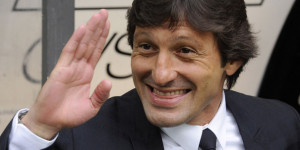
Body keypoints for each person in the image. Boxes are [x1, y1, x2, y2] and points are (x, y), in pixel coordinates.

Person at [1, 0, 299, 149]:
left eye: (185, 50)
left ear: (231, 60)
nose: (161, 73)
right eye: (146, 46)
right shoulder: (83, 138)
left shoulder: (284, 125)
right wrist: (38, 126)